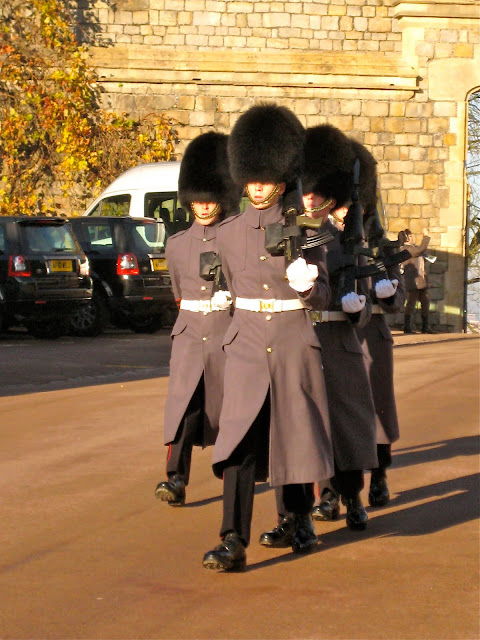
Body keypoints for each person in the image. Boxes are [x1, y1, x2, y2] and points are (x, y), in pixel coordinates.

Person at [202, 104, 333, 572]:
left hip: (292, 340)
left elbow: (323, 293)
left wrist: (309, 285)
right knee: (238, 443)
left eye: (266, 178)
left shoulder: (307, 229)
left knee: (290, 436)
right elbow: (223, 286)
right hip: (245, 346)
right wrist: (220, 300)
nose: (257, 187)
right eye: (251, 179)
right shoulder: (226, 233)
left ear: (282, 176)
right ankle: (232, 539)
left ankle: (298, 519)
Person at [288, 124, 377, 532]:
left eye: (317, 192)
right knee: (309, 426)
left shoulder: (347, 239)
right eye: (305, 191)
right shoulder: (292, 235)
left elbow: (365, 302)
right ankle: (319, 498)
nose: (309, 198)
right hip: (302, 338)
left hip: (339, 340)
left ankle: (352, 496)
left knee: (345, 424)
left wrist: (357, 308)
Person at [155, 131, 243, 507]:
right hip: (190, 332)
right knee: (183, 407)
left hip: (226, 331)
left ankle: (232, 466)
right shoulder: (176, 245)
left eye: (211, 199)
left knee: (229, 406)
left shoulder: (236, 238)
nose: (204, 206)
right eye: (199, 199)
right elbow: (179, 293)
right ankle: (175, 477)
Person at [351, 138, 405, 507]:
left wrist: (388, 294)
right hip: (336, 335)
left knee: (378, 411)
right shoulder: (323, 240)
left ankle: (380, 474)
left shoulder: (382, 246)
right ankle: (337, 488)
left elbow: (399, 300)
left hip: (373, 337)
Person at [400, 228, 434, 334]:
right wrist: (426, 236)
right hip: (412, 280)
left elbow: (421, 252)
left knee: (425, 302)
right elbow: (421, 249)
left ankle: (425, 326)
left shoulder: (413, 248)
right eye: (410, 236)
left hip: (421, 279)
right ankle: (407, 326)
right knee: (411, 302)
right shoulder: (406, 249)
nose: (412, 238)